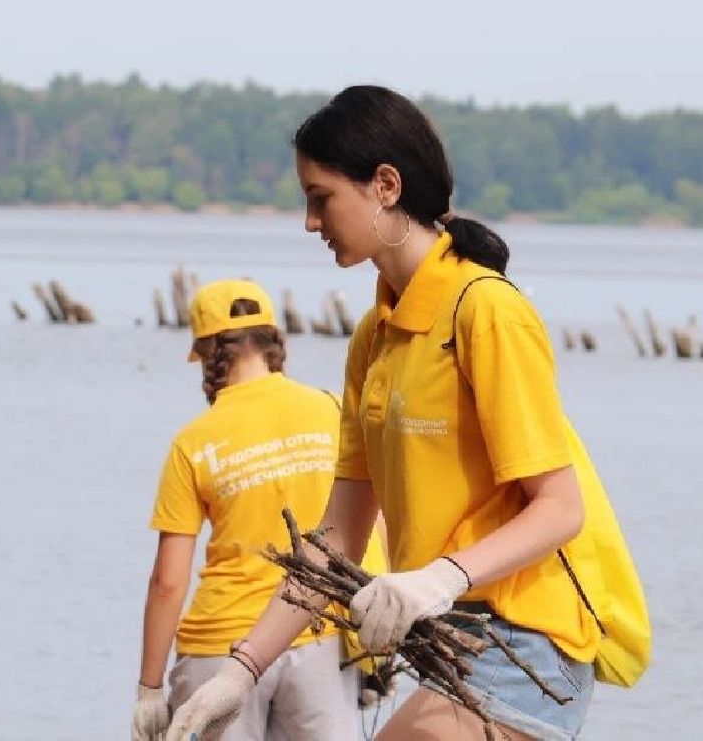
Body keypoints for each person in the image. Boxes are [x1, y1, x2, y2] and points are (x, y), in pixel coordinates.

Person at [167, 85, 649, 741]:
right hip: (448, 649)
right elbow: (334, 540)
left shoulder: (485, 311)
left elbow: (560, 510)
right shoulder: (373, 337)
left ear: (384, 185)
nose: (310, 223)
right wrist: (241, 672)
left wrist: (437, 580)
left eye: (320, 198)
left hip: (528, 643)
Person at [133, 279, 363, 741]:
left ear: (206, 353)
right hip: (315, 634)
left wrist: (150, 689)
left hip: (218, 649)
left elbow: (168, 582)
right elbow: (366, 528)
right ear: (273, 342)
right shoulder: (331, 410)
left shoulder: (194, 441)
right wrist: (369, 646)